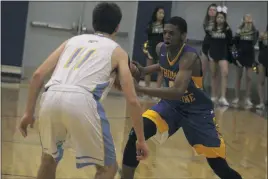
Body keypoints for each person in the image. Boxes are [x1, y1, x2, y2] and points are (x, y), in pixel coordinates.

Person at [18, 2, 149, 179]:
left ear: (93, 22)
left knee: (48, 159)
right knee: (107, 168)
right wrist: (140, 140)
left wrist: (28, 112)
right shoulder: (118, 52)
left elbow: (38, 75)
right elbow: (132, 100)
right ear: (118, 27)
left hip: (51, 95)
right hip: (84, 100)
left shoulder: (71, 41)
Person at [121, 16, 242, 179]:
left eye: (172, 33)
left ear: (184, 36)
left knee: (218, 166)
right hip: (171, 106)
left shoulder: (190, 57)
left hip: (197, 111)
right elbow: (165, 64)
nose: (167, 36)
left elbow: (178, 90)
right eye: (165, 32)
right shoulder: (160, 48)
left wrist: (142, 89)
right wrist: (144, 70)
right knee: (136, 132)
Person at [232, 14, 259, 107]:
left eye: (250, 18)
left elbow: (254, 42)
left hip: (250, 56)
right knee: (238, 77)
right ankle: (236, 97)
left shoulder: (254, 31)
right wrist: (235, 55)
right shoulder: (239, 30)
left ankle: (247, 98)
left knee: (249, 77)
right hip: (240, 56)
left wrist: (253, 28)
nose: (248, 19)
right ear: (243, 20)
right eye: (246, 18)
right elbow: (234, 42)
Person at [208, 6, 233, 106]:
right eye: (218, 17)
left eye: (222, 18)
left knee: (225, 74)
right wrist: (208, 54)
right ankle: (214, 96)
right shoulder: (211, 29)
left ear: (225, 19)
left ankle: (223, 97)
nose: (220, 19)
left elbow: (231, 43)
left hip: (223, 54)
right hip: (213, 53)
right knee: (213, 75)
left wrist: (233, 56)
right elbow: (209, 42)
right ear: (216, 18)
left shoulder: (227, 30)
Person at [143, 7, 165, 99]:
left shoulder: (165, 26)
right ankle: (147, 91)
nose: (161, 15)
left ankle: (157, 92)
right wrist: (146, 48)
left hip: (161, 49)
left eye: (163, 13)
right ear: (156, 14)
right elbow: (148, 38)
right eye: (160, 13)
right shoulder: (150, 25)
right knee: (148, 70)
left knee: (160, 70)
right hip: (151, 48)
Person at [201, 3, 217, 87]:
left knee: (213, 72)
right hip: (205, 47)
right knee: (202, 70)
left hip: (214, 49)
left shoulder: (219, 23)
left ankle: (214, 94)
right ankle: (200, 90)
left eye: (214, 10)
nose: (212, 12)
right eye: (210, 10)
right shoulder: (205, 22)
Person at [257, 24, 268, 109]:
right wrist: (260, 40)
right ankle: (261, 102)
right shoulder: (264, 34)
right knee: (261, 81)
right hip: (263, 58)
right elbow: (261, 47)